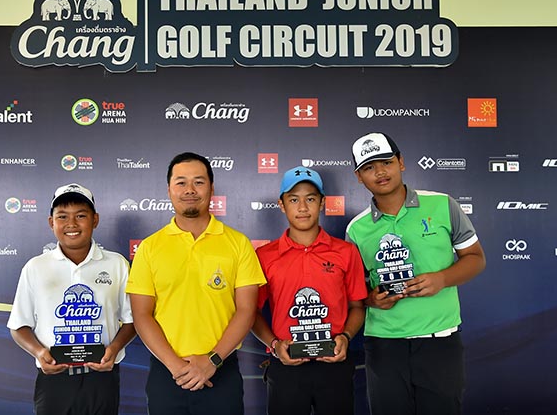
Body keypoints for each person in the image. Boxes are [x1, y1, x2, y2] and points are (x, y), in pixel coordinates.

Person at [346, 132, 486, 415]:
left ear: (401, 162)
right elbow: (356, 293)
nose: (380, 172)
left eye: (386, 162)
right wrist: (373, 299)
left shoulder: (443, 205)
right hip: (384, 344)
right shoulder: (356, 229)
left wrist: (442, 279)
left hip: (439, 340)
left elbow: (475, 259)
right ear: (359, 177)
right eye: (369, 167)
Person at [126, 152, 266, 415]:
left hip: (221, 369)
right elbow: (142, 314)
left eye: (198, 182)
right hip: (167, 373)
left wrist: (212, 360)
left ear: (211, 189)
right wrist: (177, 367)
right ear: (169, 190)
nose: (189, 189)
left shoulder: (238, 244)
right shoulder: (149, 247)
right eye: (181, 182)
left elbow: (247, 310)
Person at [7, 183, 136, 415]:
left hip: (101, 378)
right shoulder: (36, 267)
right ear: (51, 222)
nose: (72, 224)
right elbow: (18, 326)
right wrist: (39, 352)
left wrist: (115, 348)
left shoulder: (116, 264)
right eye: (62, 216)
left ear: (95, 220)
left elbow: (132, 320)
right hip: (54, 380)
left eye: (81, 216)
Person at [251, 166, 367, 415]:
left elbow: (357, 306)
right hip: (287, 366)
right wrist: (274, 345)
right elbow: (251, 313)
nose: (302, 207)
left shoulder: (346, 252)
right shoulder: (264, 256)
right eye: (294, 200)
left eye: (311, 199)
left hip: (334, 365)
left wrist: (345, 337)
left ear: (322, 203)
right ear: (282, 205)